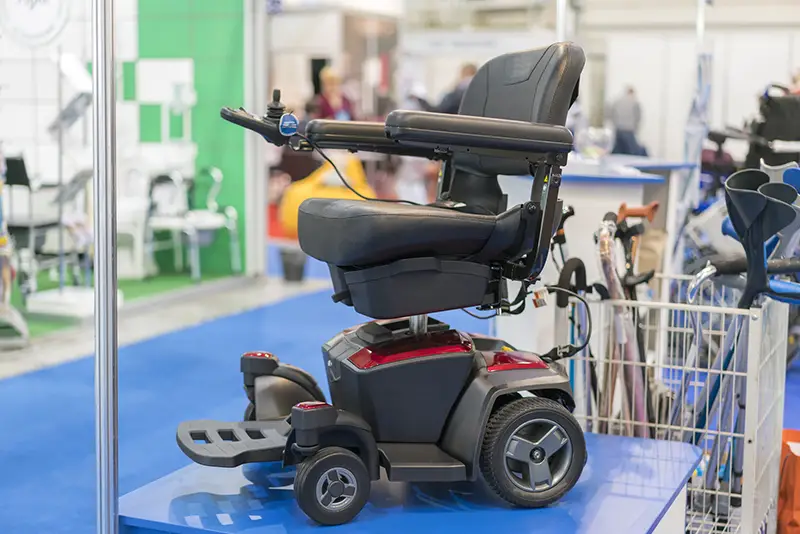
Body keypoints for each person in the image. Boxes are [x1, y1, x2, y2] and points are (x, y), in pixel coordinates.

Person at [609, 86, 647, 156]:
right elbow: (638, 117)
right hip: (629, 130)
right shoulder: (635, 102)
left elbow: (611, 114)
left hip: (619, 130)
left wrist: (615, 124)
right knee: (633, 153)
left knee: (618, 152)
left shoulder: (617, 101)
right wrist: (635, 128)